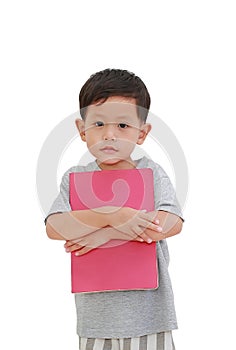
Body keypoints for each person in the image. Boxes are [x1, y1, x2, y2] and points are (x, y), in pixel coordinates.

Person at [45, 68, 184, 350]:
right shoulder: (75, 178)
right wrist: (113, 214)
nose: (109, 135)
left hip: (150, 315)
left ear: (142, 133)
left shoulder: (151, 173)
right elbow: (55, 226)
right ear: (81, 130)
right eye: (98, 124)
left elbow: (171, 222)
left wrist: (104, 234)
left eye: (122, 126)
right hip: (96, 318)